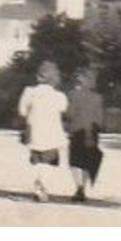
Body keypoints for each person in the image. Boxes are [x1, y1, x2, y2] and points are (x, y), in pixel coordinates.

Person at [17, 60, 70, 202]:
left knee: (37, 160)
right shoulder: (60, 96)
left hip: (34, 130)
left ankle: (38, 186)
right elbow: (63, 110)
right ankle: (42, 186)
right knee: (49, 162)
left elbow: (22, 111)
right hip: (52, 132)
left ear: (38, 77)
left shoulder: (29, 92)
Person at [65, 67, 106, 203]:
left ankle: (79, 187)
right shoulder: (98, 97)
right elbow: (99, 119)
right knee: (87, 161)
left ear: (82, 80)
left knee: (75, 161)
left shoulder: (73, 94)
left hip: (77, 130)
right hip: (92, 133)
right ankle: (84, 188)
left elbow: (69, 114)